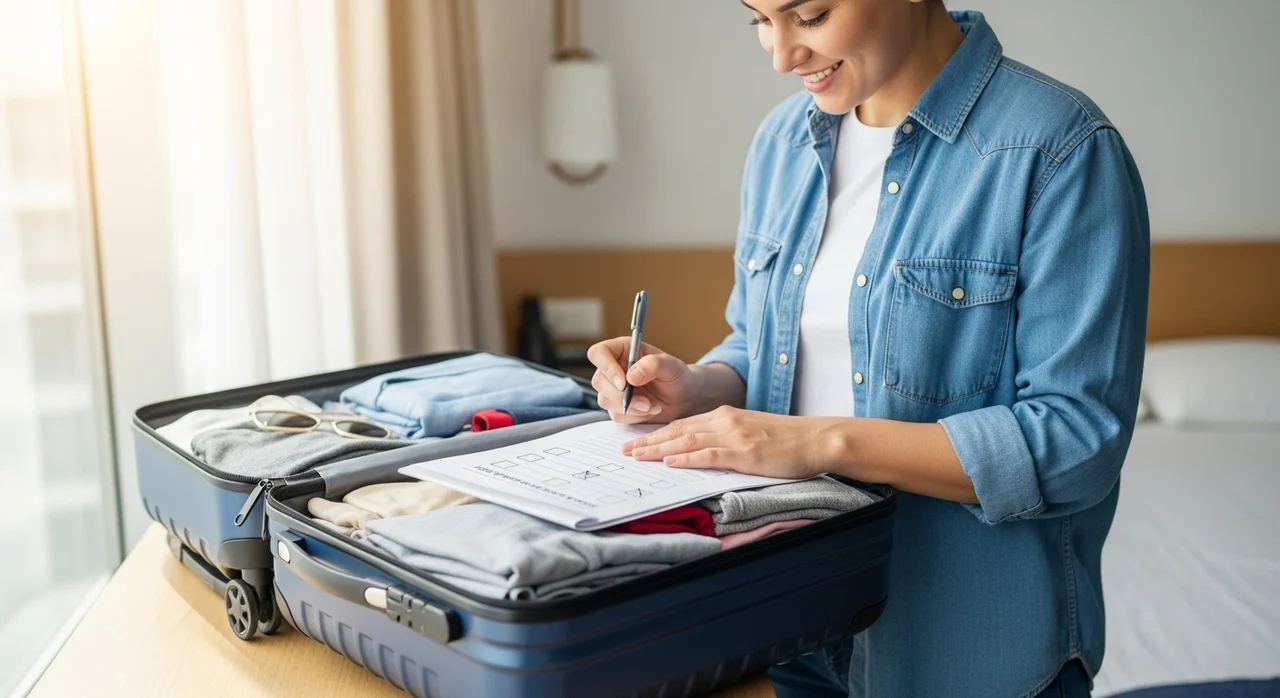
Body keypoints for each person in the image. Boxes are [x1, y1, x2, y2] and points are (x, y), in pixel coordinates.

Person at [586, 2, 1149, 697]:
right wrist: (699, 387)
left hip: (965, 653)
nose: (781, 56)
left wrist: (822, 443)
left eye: (810, 15)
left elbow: (1075, 442)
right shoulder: (782, 143)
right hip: (790, 628)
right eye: (759, 20)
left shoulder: (1058, 149)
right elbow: (765, 346)